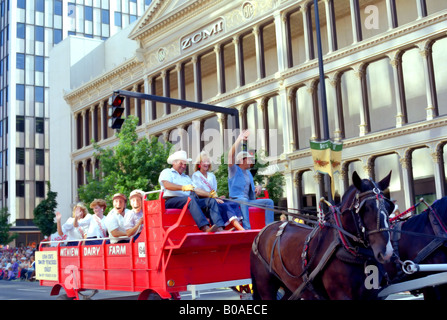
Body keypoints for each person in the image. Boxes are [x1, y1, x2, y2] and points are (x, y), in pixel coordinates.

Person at [159, 150, 225, 232]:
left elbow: (196, 189)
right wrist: (183, 187)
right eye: (181, 163)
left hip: (187, 201)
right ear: (174, 163)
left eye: (185, 164)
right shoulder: (167, 172)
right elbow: (166, 185)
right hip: (171, 201)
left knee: (210, 201)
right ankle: (205, 227)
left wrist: (210, 194)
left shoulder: (186, 177)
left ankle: (219, 228)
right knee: (190, 199)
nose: (183, 166)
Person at [228, 130, 274, 229]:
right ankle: (246, 229)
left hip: (248, 200)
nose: (251, 161)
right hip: (236, 200)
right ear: (241, 160)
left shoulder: (248, 173)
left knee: (269, 202)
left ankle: (269, 228)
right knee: (244, 200)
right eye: (249, 159)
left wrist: (259, 187)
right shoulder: (233, 170)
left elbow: (250, 190)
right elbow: (230, 156)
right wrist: (239, 140)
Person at [192, 151, 244, 231]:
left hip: (214, 199)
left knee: (233, 203)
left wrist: (218, 197)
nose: (206, 164)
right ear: (199, 164)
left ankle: (235, 225)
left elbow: (214, 191)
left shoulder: (211, 176)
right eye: (204, 161)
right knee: (225, 206)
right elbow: (197, 191)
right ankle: (240, 229)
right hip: (205, 202)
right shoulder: (196, 175)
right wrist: (212, 196)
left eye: (208, 161)